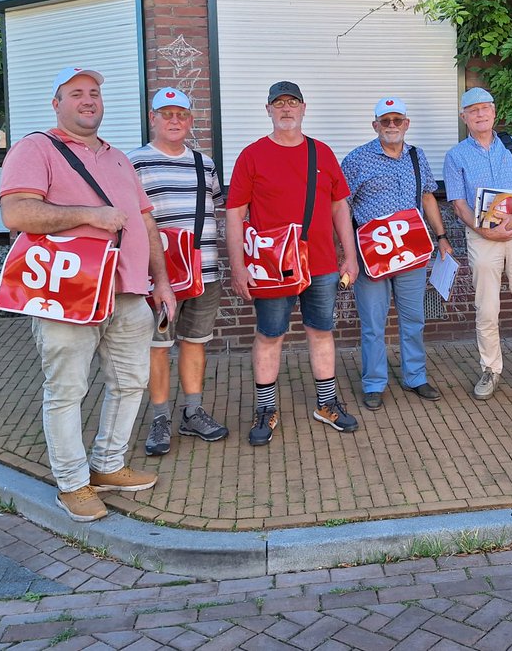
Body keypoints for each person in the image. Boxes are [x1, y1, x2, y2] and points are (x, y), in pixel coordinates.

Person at [0, 66, 176, 522]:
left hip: (129, 292)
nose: (88, 100)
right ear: (56, 103)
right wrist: (89, 215)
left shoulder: (118, 158)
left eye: (94, 93)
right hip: (69, 295)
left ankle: (108, 465)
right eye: (76, 93)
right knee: (67, 390)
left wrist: (161, 281)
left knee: (130, 382)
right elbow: (16, 212)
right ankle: (73, 483)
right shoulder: (36, 148)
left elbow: (145, 221)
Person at [226, 81, 360, 445]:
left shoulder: (322, 153)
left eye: (293, 103)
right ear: (268, 110)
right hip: (273, 268)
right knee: (270, 336)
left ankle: (327, 404)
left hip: (321, 264)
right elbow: (235, 214)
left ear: (303, 108)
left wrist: (350, 255)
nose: (286, 109)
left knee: (321, 332)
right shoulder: (252, 155)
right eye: (279, 103)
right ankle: (265, 409)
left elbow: (339, 207)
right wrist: (238, 266)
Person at [129, 87, 229, 457]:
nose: (174, 120)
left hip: (205, 272)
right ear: (152, 118)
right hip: (160, 277)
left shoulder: (205, 164)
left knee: (195, 342)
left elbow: (217, 206)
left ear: (190, 119)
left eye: (181, 114)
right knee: (158, 346)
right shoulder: (134, 163)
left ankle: (192, 412)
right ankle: (160, 418)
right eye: (166, 113)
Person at [443, 87, 512, 410]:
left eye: (485, 108)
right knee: (487, 308)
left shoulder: (510, 144)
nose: (480, 114)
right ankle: (490, 370)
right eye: (473, 110)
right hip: (481, 238)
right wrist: (484, 231)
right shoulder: (456, 156)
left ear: (494, 113)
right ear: (464, 117)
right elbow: (458, 204)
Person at [342, 97, 454, 410]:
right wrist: (347, 252)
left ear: (406, 124)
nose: (392, 125)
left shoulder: (417, 156)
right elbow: (341, 206)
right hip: (372, 255)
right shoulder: (357, 159)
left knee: (413, 319)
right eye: (385, 121)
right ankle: (374, 383)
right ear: (375, 125)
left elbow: (428, 197)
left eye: (397, 120)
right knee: (373, 323)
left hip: (412, 252)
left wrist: (442, 237)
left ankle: (415, 377)